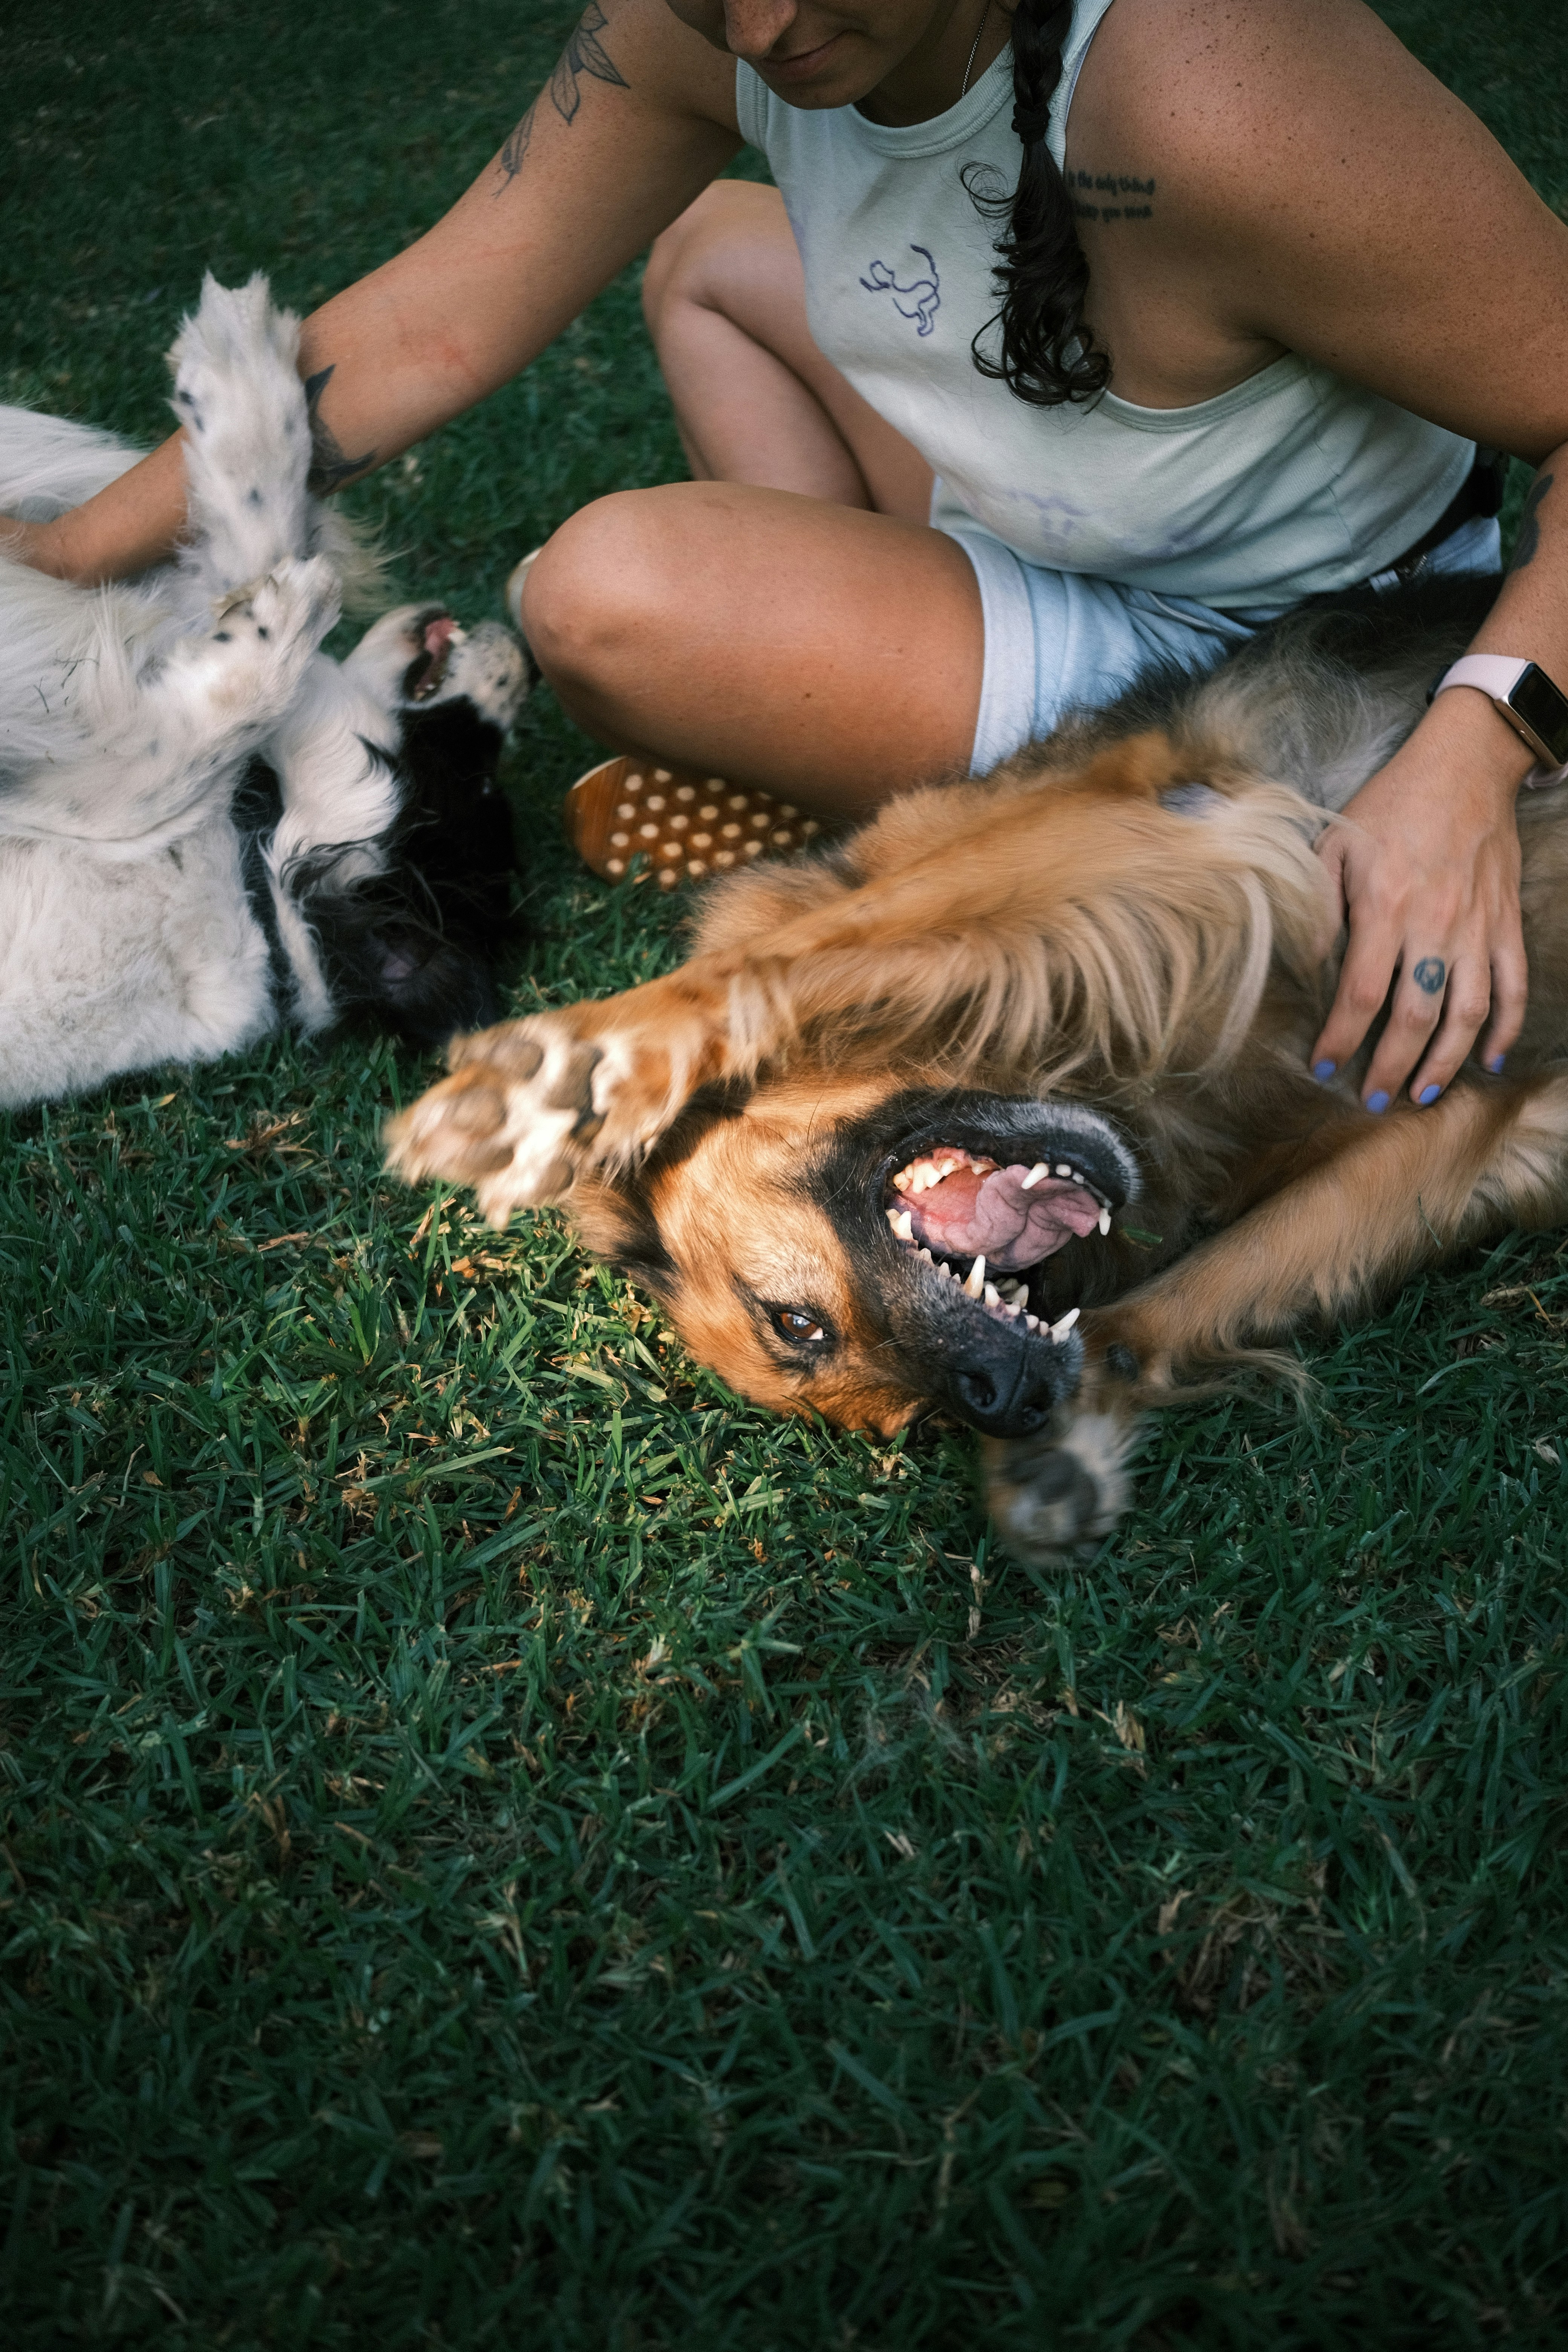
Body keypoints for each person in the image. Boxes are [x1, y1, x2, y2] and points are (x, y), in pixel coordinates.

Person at [6, 0, 1567, 1115]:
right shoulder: (709, 30)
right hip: (1043, 502)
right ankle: (876, 713)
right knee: (712, 258)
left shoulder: (1219, 88)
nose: (758, 31)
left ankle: (976, 799)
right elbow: (432, 320)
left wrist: (1472, 749)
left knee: (600, 597)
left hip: (1287, 667)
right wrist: (63, 547)